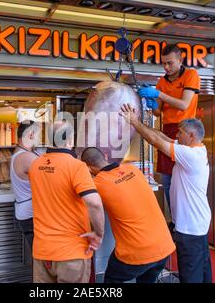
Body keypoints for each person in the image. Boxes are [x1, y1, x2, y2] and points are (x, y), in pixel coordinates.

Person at [120, 103, 212, 283]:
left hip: (190, 227)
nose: (176, 136)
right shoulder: (195, 148)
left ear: (191, 136)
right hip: (198, 223)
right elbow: (161, 137)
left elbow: (156, 142)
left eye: (180, 133)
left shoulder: (190, 155)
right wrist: (138, 121)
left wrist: (134, 123)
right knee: (202, 268)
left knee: (190, 273)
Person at [81, 147, 175, 283]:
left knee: (112, 280)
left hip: (137, 252)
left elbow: (88, 204)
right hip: (164, 246)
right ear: (106, 157)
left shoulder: (98, 183)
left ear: (88, 169)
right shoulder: (133, 170)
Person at [28, 121, 105, 283]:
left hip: (42, 252)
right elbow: (95, 203)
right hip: (71, 253)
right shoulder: (77, 166)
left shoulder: (35, 165)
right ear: (70, 140)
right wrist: (99, 234)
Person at [137, 44, 201, 217]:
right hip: (167, 129)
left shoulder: (191, 75)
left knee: (182, 181)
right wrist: (151, 103)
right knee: (167, 180)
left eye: (170, 63)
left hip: (186, 130)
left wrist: (158, 94)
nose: (166, 67)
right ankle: (175, 219)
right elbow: (158, 112)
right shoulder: (161, 82)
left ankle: (185, 217)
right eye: (164, 64)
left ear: (180, 61)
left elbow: (183, 105)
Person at [10, 120, 40, 250]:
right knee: (41, 259)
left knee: (40, 257)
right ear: (31, 134)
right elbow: (50, 179)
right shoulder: (26, 157)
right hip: (30, 215)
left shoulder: (20, 153)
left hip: (26, 213)